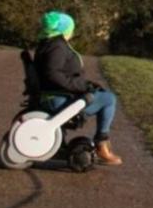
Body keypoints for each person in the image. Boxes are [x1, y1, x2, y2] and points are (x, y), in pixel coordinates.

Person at [34, 11, 124, 166]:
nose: (72, 32)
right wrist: (81, 87)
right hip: (58, 99)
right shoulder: (57, 47)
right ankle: (102, 144)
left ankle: (60, 143)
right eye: (70, 28)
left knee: (101, 94)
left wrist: (86, 85)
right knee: (109, 99)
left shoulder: (47, 43)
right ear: (64, 29)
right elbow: (53, 75)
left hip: (52, 95)